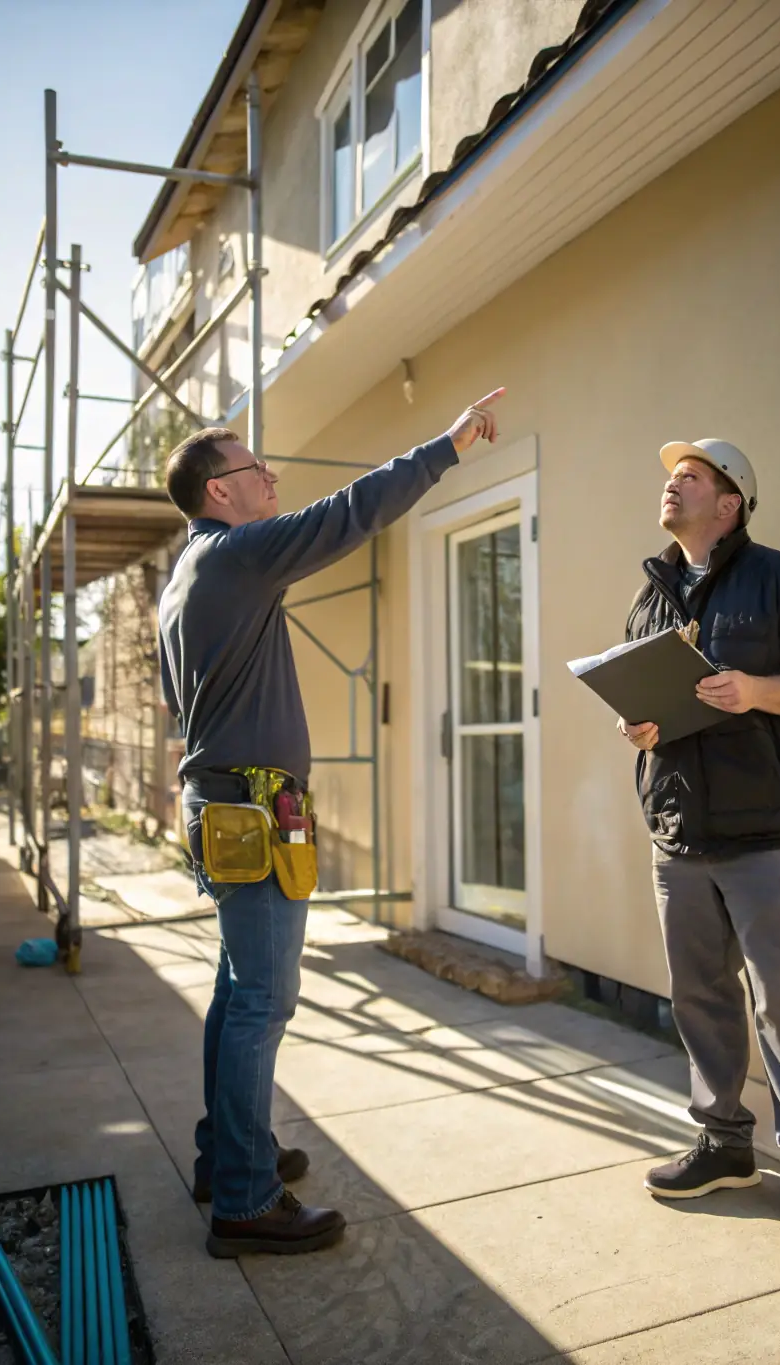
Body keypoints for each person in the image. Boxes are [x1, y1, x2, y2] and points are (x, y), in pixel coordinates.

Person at [158, 391, 504, 1258]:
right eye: (252, 468)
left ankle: (228, 1154)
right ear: (219, 492)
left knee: (239, 991)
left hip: (225, 805)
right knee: (263, 1000)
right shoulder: (235, 555)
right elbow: (351, 513)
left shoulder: (190, 575)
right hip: (250, 809)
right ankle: (243, 1199)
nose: (269, 474)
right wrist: (448, 445)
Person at [618, 438, 780, 1270]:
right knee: (699, 998)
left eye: (690, 476)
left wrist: (756, 690)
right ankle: (723, 1145)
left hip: (763, 835)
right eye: (670, 476)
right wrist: (638, 725)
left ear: (731, 502)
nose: (672, 484)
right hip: (678, 834)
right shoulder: (653, 594)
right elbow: (646, 701)